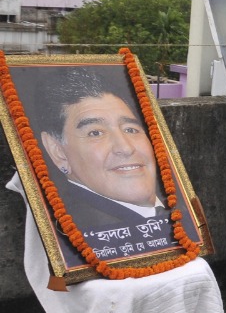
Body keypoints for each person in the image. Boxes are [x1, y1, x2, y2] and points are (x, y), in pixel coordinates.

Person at [39, 67, 172, 237]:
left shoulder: (179, 213)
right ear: (58, 152)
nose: (125, 148)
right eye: (95, 133)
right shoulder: (79, 233)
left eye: (131, 129)